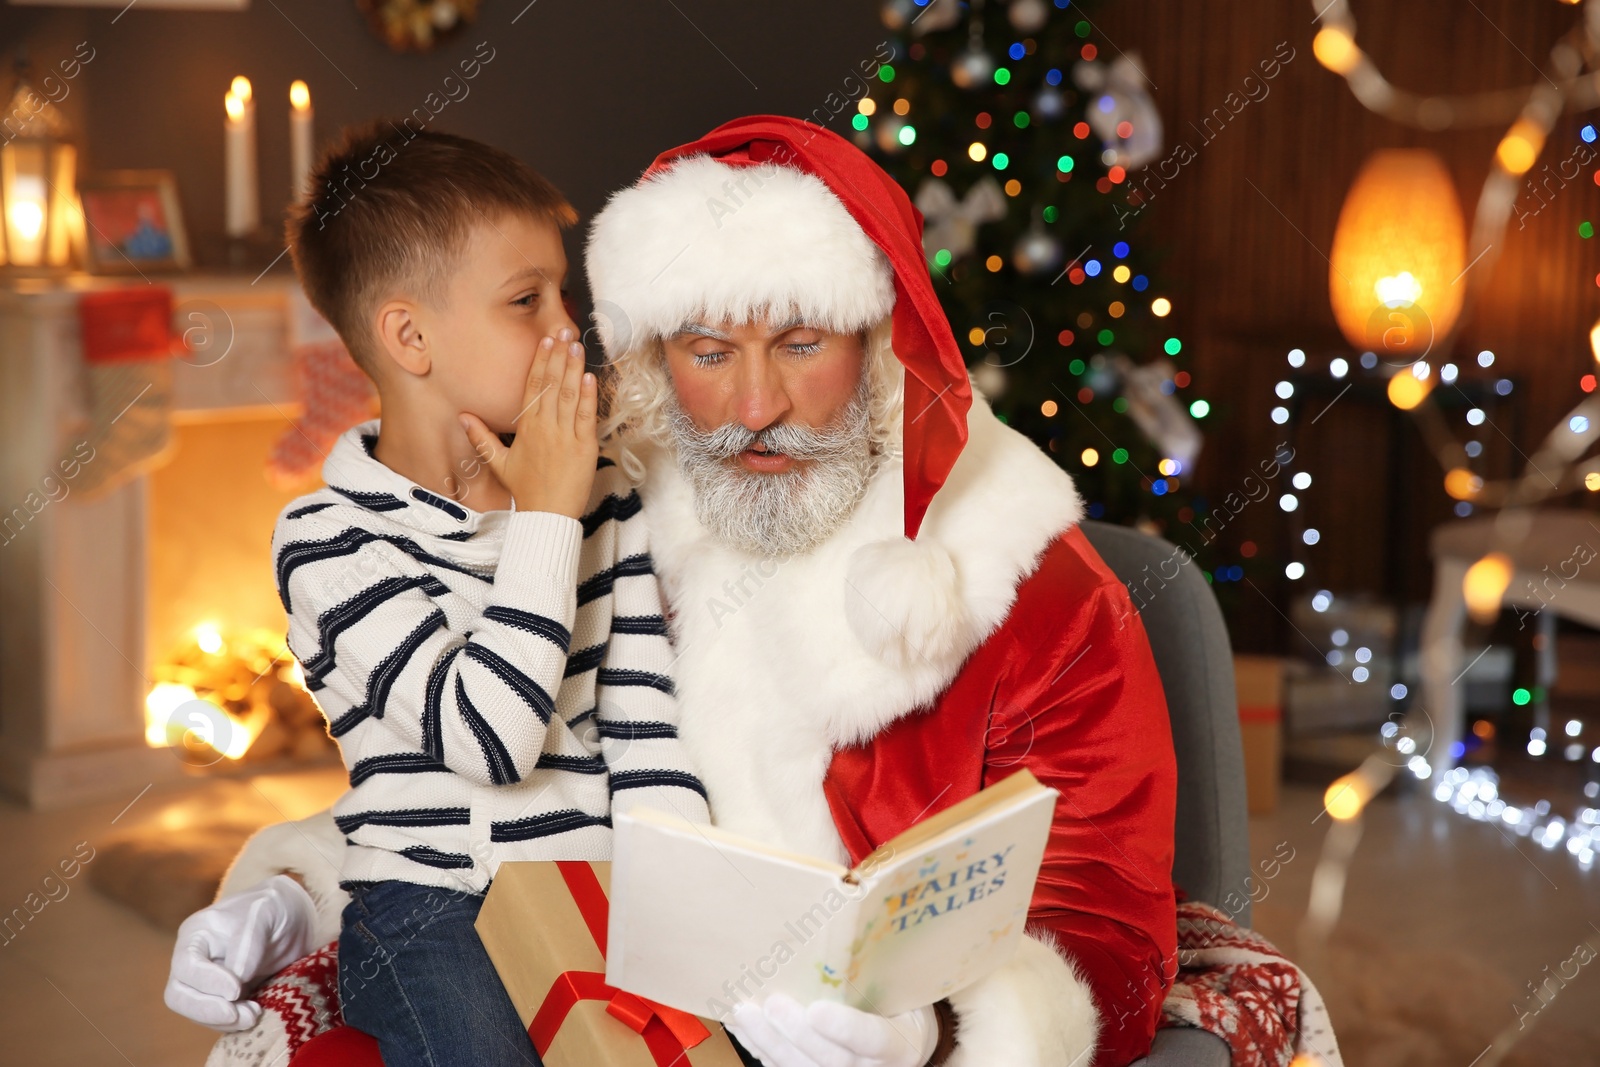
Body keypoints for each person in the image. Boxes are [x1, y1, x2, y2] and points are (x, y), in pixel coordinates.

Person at [170, 116, 1178, 1067]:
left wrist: (933, 1022)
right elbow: (474, 781)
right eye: (706, 350)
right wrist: (306, 886)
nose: (754, 407)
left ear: (879, 343)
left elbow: (1106, 926)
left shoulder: (1030, 586)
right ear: (654, 356)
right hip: (587, 935)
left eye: (800, 342)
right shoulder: (616, 487)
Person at [162, 122, 709, 1067]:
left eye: (562, 294)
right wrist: (546, 515)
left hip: (594, 889)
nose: (565, 330)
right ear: (409, 336)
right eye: (525, 301)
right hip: (429, 911)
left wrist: (693, 914)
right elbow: (491, 742)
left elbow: (645, 730)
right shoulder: (327, 540)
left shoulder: (608, 491)